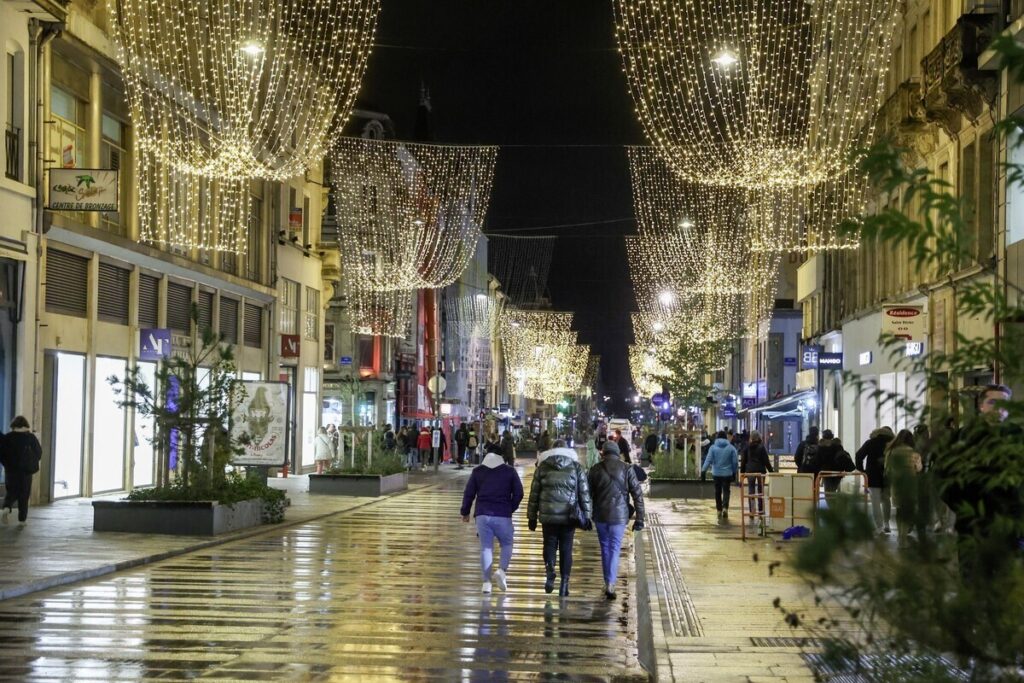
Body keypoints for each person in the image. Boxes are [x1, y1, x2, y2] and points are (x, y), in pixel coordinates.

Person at [527, 442, 592, 597]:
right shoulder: (576, 467)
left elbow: (534, 493)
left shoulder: (542, 467)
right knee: (566, 549)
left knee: (549, 545)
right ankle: (564, 585)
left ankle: (550, 568)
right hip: (569, 515)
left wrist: (532, 517)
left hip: (548, 515)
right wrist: (587, 516)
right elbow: (584, 493)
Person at [460, 444, 524, 594]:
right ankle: (501, 571)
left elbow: (469, 493)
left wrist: (465, 512)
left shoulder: (478, 471)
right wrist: (510, 508)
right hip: (503, 514)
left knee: (486, 548)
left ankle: (486, 583)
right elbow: (519, 493)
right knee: (507, 544)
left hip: (483, 515)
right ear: (501, 455)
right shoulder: (509, 471)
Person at [588, 440, 645, 600]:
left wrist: (586, 515)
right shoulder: (627, 469)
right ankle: (611, 583)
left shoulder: (595, 469)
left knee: (605, 548)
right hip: (619, 517)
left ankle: (608, 581)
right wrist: (640, 518)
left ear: (603, 453)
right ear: (618, 453)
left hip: (600, 516)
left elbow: (587, 495)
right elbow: (637, 495)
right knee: (614, 548)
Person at [884, 429, 923, 547]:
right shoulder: (914, 452)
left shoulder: (891, 452)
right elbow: (919, 468)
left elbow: (887, 469)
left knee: (900, 510)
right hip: (910, 483)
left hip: (896, 484)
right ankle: (903, 538)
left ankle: (900, 538)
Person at [0, 416, 41, 525]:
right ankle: (22, 519)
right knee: (24, 494)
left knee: (11, 492)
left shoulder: (8, 437)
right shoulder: (30, 437)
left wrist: (7, 465)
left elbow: (2, 454)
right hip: (26, 472)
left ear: (13, 426)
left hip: (11, 471)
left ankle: (6, 508)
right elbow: (38, 452)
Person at [856, 426, 895, 534]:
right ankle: (887, 523)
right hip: (888, 475)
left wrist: (862, 470)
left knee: (875, 502)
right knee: (887, 500)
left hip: (873, 475)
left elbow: (859, 455)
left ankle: (879, 526)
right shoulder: (893, 444)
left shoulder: (870, 442)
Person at [701, 431, 738, 519]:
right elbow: (735, 462)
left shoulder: (713, 448)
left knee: (717, 492)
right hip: (727, 474)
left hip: (716, 474)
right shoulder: (731, 448)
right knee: (726, 491)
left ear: (717, 438)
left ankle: (719, 510)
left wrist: (703, 471)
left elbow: (708, 460)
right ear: (726, 438)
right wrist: (734, 472)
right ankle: (725, 508)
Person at [740, 430, 773, 523]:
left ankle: (752, 511)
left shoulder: (747, 447)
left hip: (750, 471)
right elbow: (766, 461)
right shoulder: (762, 448)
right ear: (759, 437)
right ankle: (761, 511)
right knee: (760, 492)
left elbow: (743, 461)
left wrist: (742, 473)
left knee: (751, 491)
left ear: (751, 438)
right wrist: (772, 472)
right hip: (760, 472)